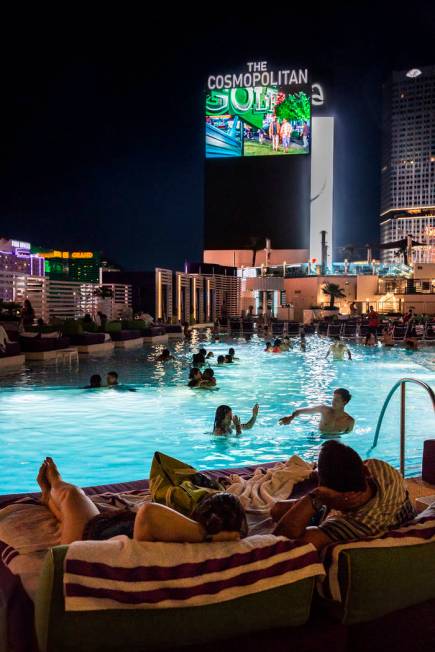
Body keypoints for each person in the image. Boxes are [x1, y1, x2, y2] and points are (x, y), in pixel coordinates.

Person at [36, 457, 247, 545]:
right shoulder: (189, 533)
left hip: (89, 536)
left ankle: (53, 483)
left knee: (72, 495)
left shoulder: (197, 534)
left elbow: (148, 512)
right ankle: (48, 495)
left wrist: (208, 534)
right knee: (65, 510)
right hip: (101, 529)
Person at [271, 440, 416, 551]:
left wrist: (316, 496)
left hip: (344, 516)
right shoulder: (382, 469)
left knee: (278, 511)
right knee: (278, 508)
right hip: (353, 504)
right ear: (365, 471)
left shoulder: (352, 526)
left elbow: (281, 542)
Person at [279, 388, 355, 435]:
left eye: (337, 400)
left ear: (344, 402)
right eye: (333, 399)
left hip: (334, 442)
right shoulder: (324, 410)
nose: (333, 402)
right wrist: (291, 417)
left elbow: (347, 435)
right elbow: (299, 411)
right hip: (318, 437)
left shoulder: (350, 421)